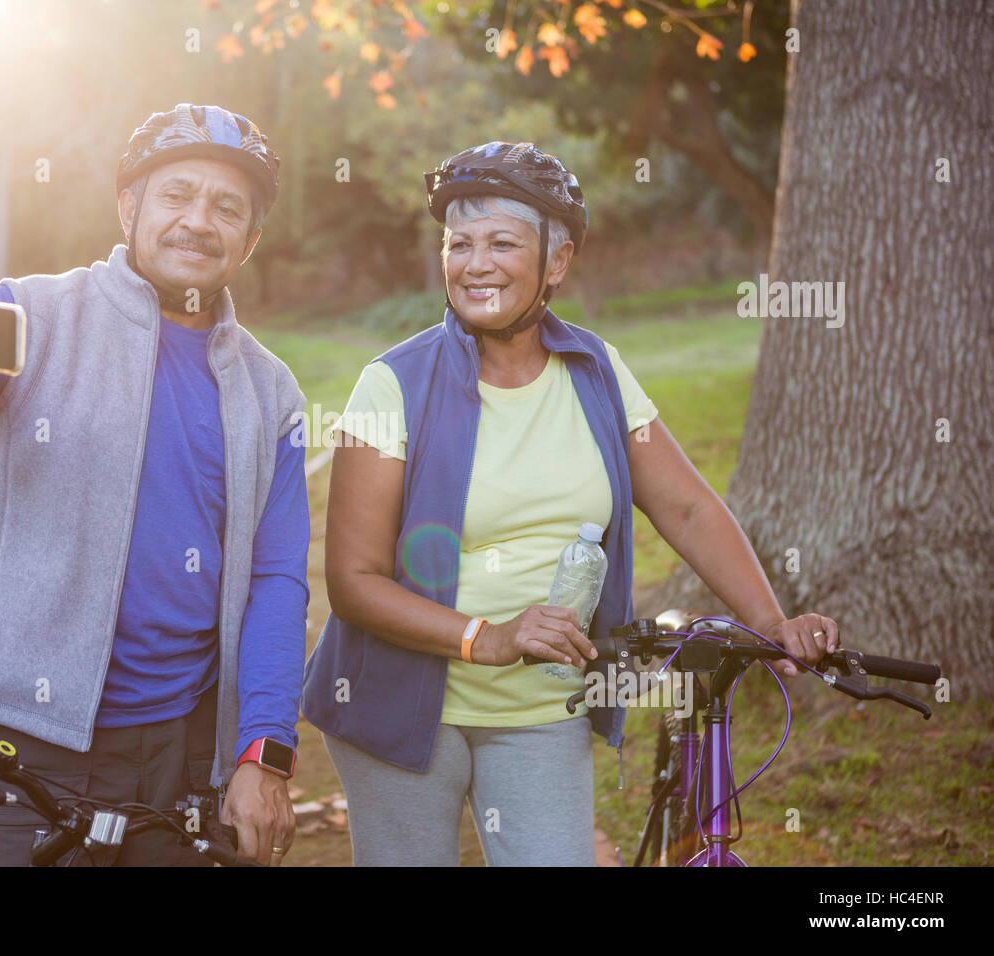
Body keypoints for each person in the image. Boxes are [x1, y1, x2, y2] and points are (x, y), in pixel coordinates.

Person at [301, 141, 840, 866]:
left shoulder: (597, 373)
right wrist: (486, 636)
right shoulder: (391, 384)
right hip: (399, 710)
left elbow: (687, 509)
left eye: (501, 242)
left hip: (539, 710)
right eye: (459, 243)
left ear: (556, 262)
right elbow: (354, 582)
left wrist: (771, 622)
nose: (475, 263)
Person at [0, 104, 307, 866]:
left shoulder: (272, 392)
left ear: (250, 241)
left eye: (227, 208)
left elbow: (278, 581)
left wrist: (264, 754)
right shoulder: (30, 315)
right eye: (176, 194)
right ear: (129, 207)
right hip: (22, 737)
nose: (198, 220)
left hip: (180, 750)